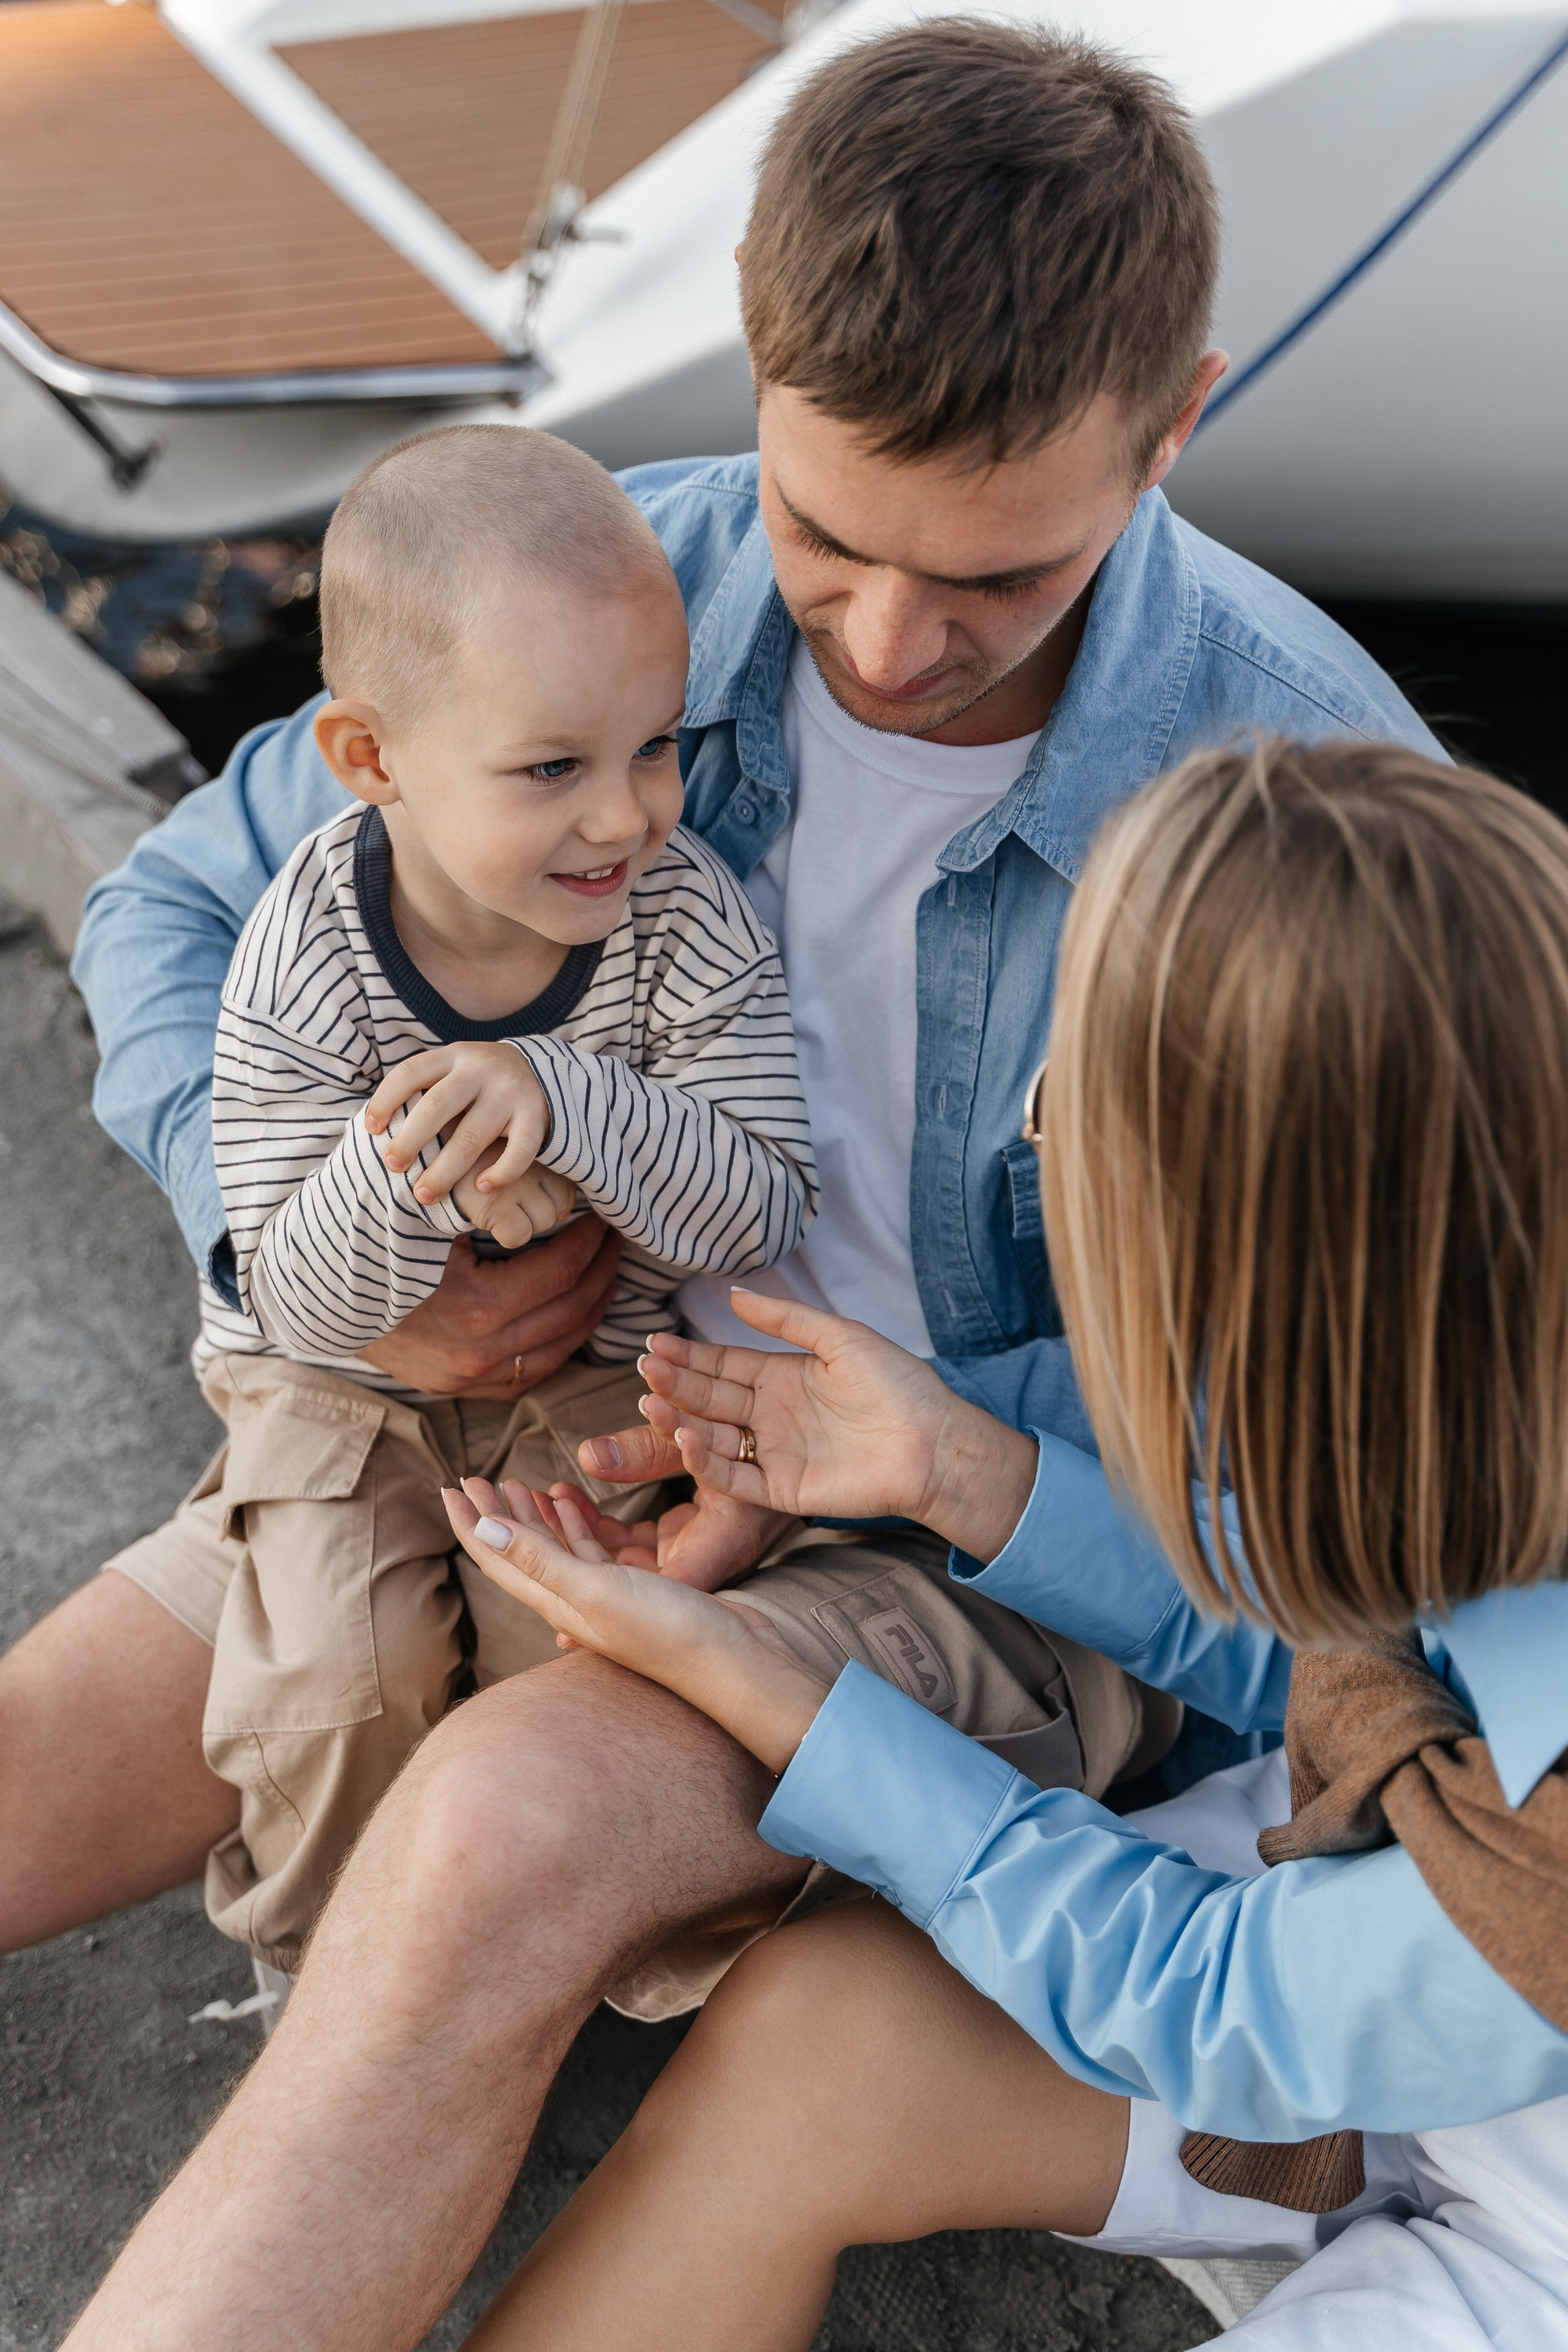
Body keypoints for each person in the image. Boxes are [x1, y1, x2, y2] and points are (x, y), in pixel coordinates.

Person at [32, 24, 1447, 2350]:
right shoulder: (624, 580)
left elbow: (1345, 1495)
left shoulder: (1311, 801)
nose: (888, 647)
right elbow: (174, 910)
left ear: (1174, 424)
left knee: (489, 1841)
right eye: (825, 538)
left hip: (994, 1552)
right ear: (763, 381)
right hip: (535, 1404)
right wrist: (307, 1280)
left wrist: (885, 1471)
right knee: (35, 1759)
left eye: (997, 574)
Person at [433, 737, 1568, 2350]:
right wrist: (958, 1469)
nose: (1039, 1130)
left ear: (1269, 1280)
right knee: (823, 2038)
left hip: (1522, 2223)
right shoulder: (1490, 1342)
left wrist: (789, 1702)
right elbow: (1352, 1654)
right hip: (1376, 1963)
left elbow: (1207, 2004)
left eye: (1076, 1114)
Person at [194, 423, 818, 1972]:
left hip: (592, 1370)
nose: (625, 818)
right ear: (372, 759)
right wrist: (416, 1155)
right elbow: (301, 1296)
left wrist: (575, 1098)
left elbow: (755, 1209)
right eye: (552, 769)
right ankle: (336, 1970)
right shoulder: (304, 953)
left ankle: (581, 1968)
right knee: (343, 1677)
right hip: (341, 1383)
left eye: (655, 746)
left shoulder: (682, 918)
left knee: (584, 1669)